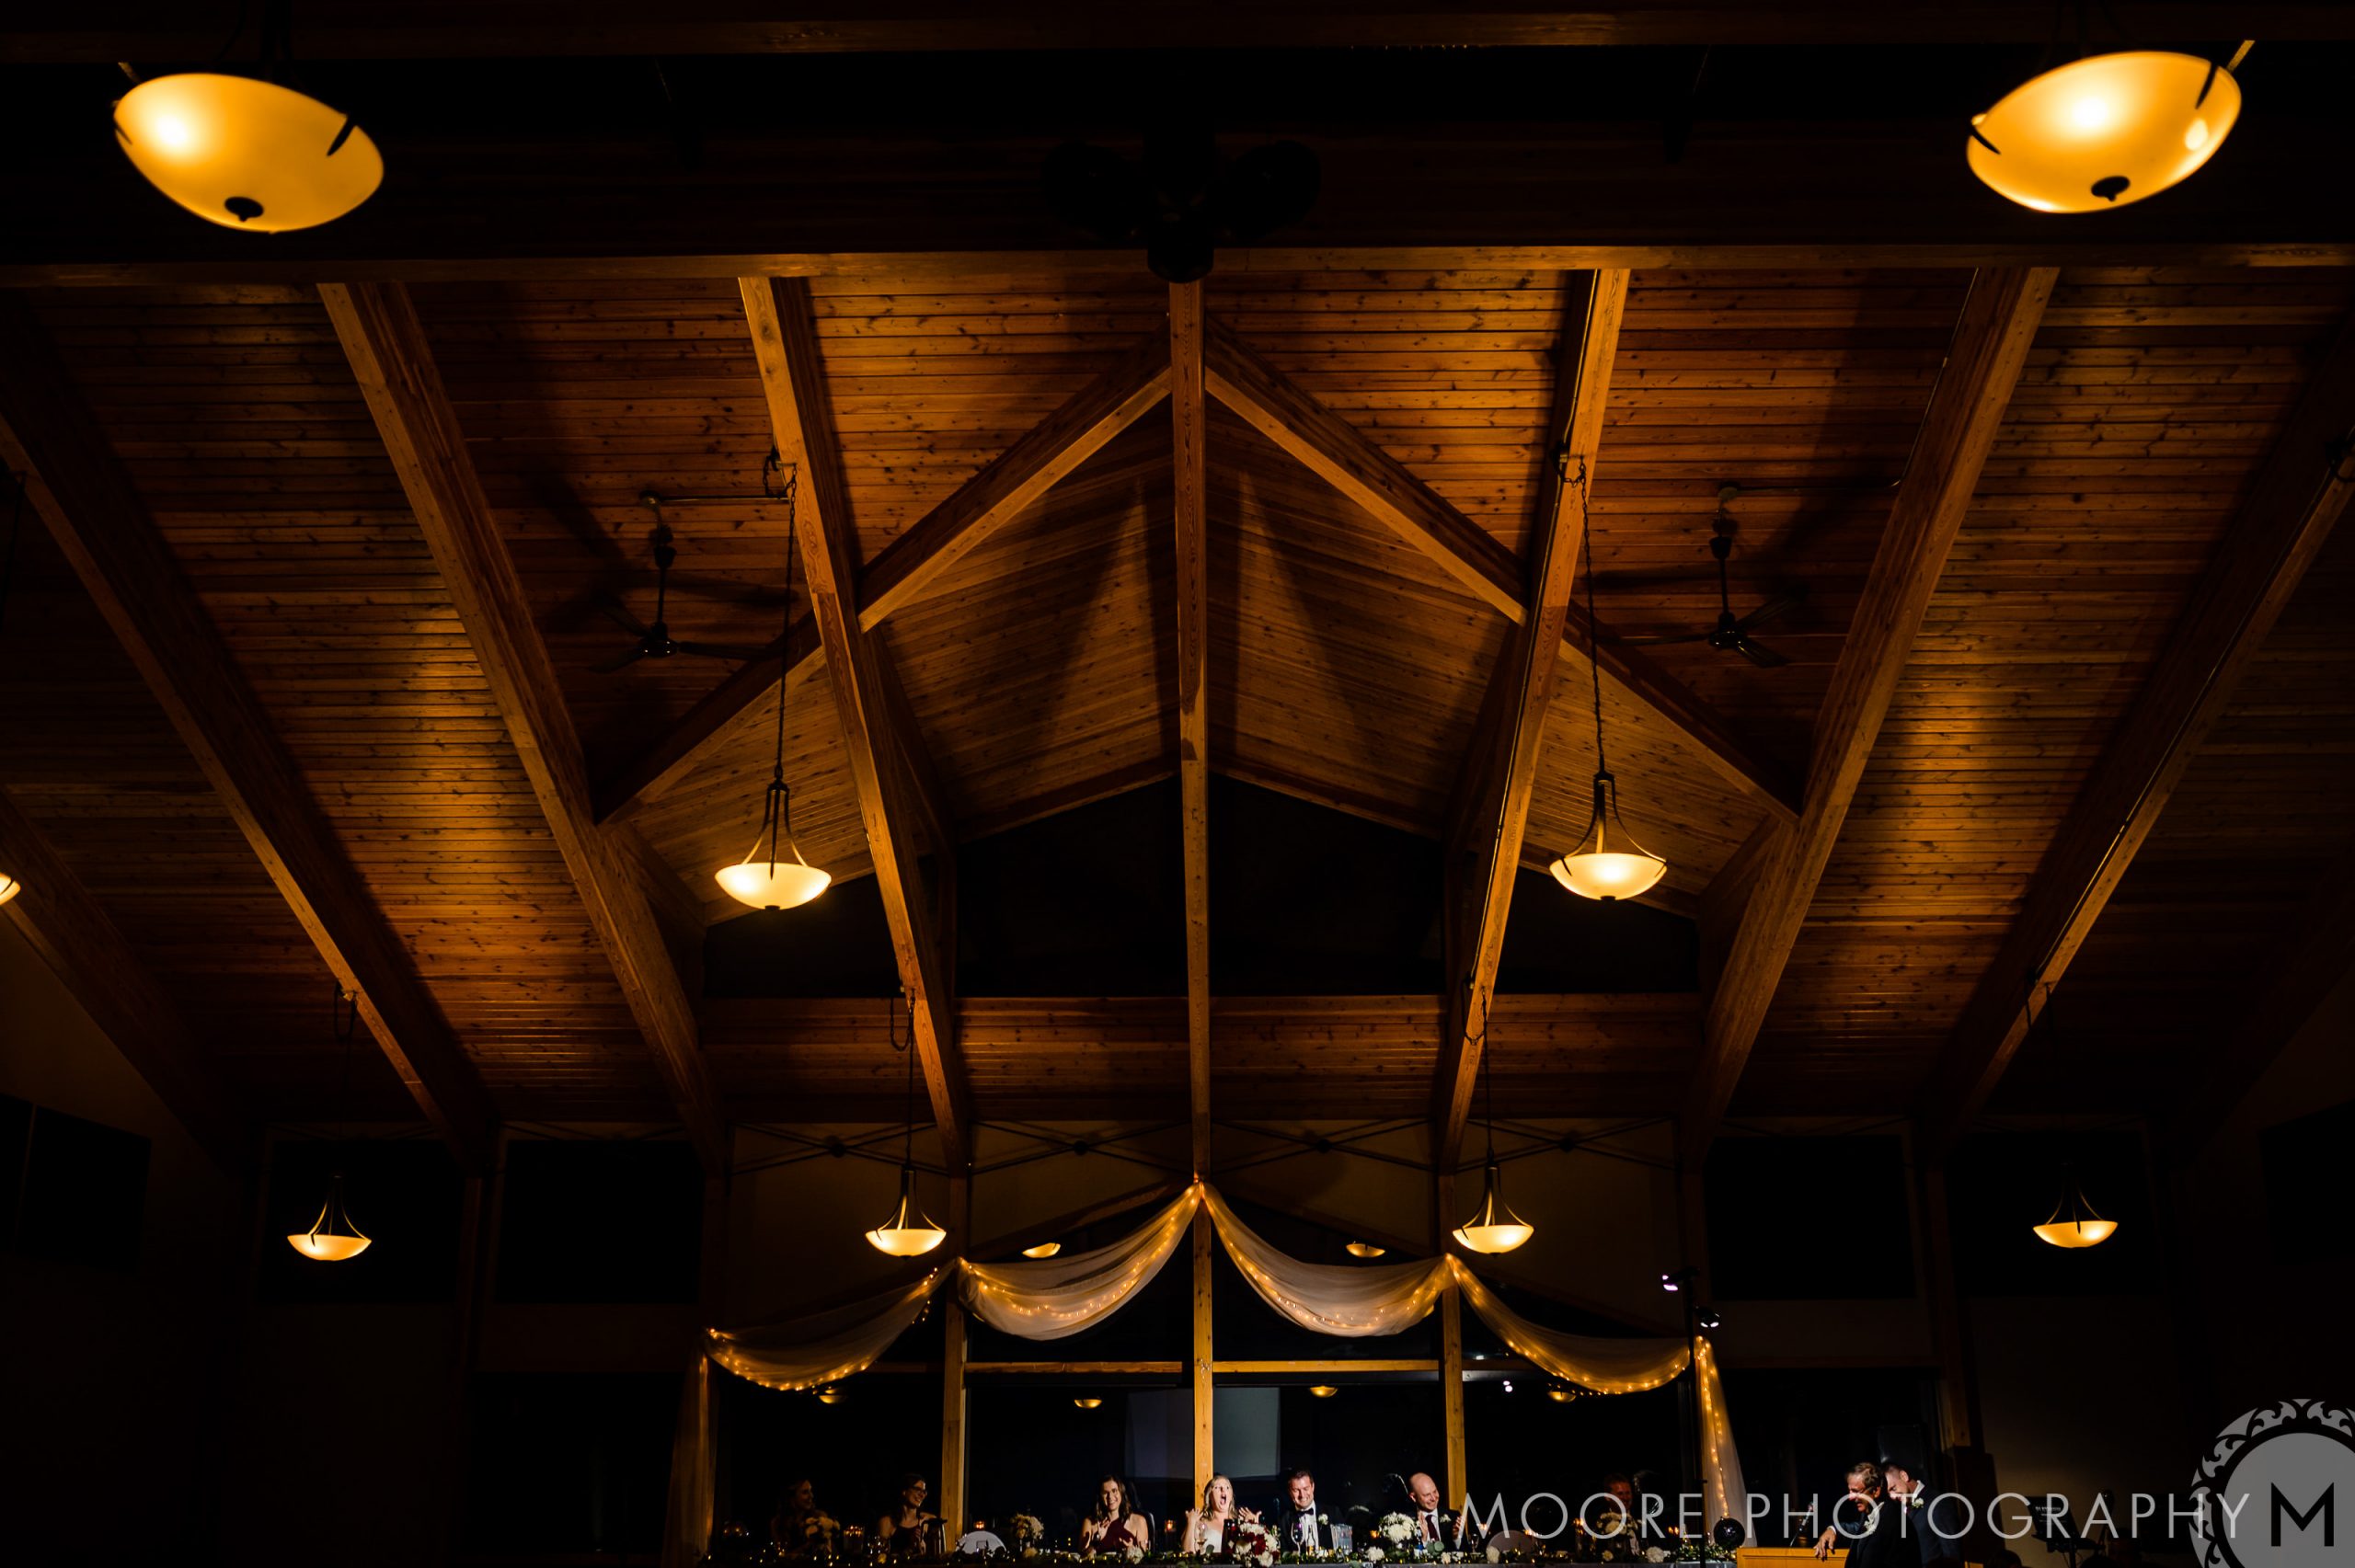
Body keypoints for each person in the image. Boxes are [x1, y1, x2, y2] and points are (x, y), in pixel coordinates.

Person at [1814, 1462, 1902, 1568]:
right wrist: (1833, 1530)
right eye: (1850, 1491)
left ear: (1876, 1491)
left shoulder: (1894, 1521)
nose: (1850, 1497)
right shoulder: (1870, 1514)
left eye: (1856, 1491)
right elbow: (1857, 1530)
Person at [1880, 1458, 1961, 1565]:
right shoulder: (1898, 1509)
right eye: (1889, 1494)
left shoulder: (1937, 1503)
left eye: (1893, 1488)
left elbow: (1952, 1554)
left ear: (1904, 1476)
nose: (1893, 1497)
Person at [1184, 1473, 1257, 1556]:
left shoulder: (1242, 1524)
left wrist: (1254, 1525)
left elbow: (1254, 1554)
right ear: (1210, 1496)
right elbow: (1188, 1555)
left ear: (1231, 1496)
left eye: (1227, 1487)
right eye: (1217, 1487)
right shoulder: (1201, 1524)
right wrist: (1191, 1523)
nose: (1223, 1490)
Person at [1083, 1475, 1152, 1555]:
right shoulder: (1089, 1522)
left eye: (1114, 1491)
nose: (1110, 1496)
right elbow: (1081, 1559)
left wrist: (1132, 1551)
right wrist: (1095, 1541)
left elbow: (1145, 1557)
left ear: (1121, 1493)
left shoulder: (1139, 1521)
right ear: (1100, 1496)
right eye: (1105, 1493)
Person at [773, 1477, 839, 1558]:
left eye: (810, 1491)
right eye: (805, 1492)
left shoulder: (819, 1518)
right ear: (792, 1497)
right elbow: (781, 1556)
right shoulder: (778, 1523)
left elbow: (831, 1553)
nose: (811, 1496)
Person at [879, 1473, 938, 1558]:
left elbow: (937, 1558)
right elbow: (880, 1559)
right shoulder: (887, 1522)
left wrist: (923, 1549)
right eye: (917, 1489)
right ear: (904, 1491)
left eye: (924, 1492)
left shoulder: (929, 1520)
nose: (922, 1495)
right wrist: (909, 1549)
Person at [1271, 1468, 1328, 1552]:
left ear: (1313, 1487)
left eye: (1306, 1489)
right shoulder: (1283, 1521)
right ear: (1290, 1492)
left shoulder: (1333, 1513)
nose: (1302, 1495)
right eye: (1296, 1490)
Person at [1406, 1472, 1465, 1548]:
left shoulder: (1453, 1517)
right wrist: (1423, 1540)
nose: (1433, 1498)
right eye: (1427, 1495)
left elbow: (1467, 1552)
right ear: (1413, 1497)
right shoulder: (1406, 1522)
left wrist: (1456, 1539)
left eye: (1435, 1491)